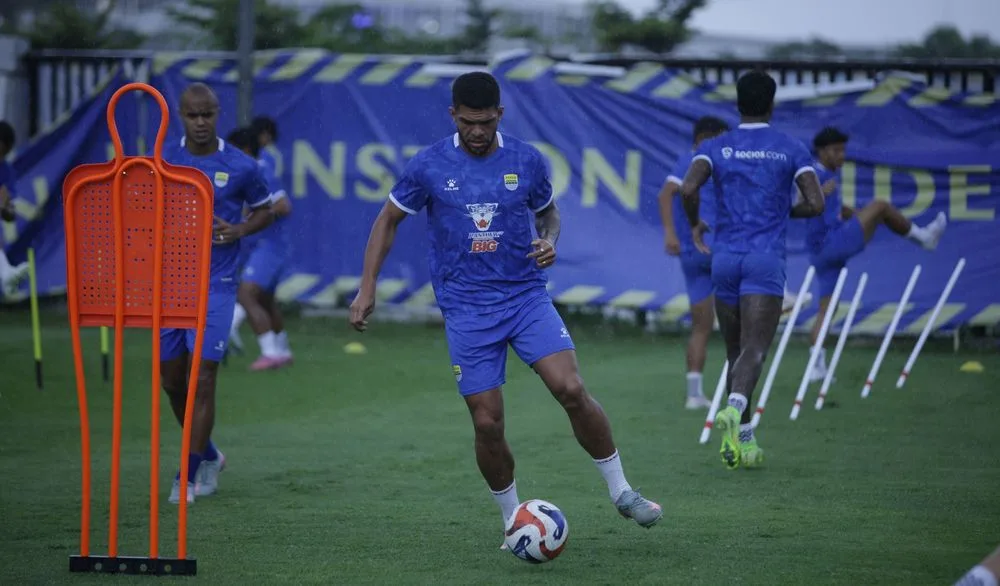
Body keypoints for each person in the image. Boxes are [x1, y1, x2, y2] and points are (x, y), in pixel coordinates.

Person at [349, 72, 663, 545]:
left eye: (486, 122)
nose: (478, 131)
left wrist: (549, 241)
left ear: (500, 114)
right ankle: (513, 520)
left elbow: (550, 213)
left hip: (524, 297)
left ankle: (622, 491)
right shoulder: (429, 165)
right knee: (487, 421)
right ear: (453, 115)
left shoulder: (526, 160)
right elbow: (388, 219)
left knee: (571, 388)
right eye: (469, 122)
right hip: (467, 308)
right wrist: (366, 286)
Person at [680, 70, 826, 470]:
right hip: (764, 259)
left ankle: (744, 439)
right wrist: (782, 210)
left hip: (725, 257)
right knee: (756, 349)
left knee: (734, 351)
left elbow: (687, 189)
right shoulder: (790, 148)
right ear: (772, 104)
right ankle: (736, 406)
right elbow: (816, 203)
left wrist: (695, 223)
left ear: (737, 104)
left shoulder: (717, 145)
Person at [161, 83, 273, 504]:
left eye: (207, 114)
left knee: (202, 379)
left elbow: (267, 208)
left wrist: (240, 228)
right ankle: (207, 452)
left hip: (217, 285)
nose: (201, 122)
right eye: (193, 115)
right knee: (172, 382)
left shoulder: (241, 165)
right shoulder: (165, 159)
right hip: (170, 287)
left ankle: (187, 477)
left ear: (217, 113)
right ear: (181, 115)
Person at [802, 126, 947, 383]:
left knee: (827, 309)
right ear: (823, 152)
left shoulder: (826, 174)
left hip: (820, 251)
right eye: (836, 150)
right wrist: (823, 197)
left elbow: (837, 210)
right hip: (831, 242)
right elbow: (798, 201)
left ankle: (816, 367)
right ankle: (924, 238)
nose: (842, 155)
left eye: (844, 150)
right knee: (880, 206)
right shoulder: (814, 173)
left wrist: (857, 215)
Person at [658, 116, 730, 409]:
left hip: (690, 254)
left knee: (702, 326)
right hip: (709, 245)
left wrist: (672, 235)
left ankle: (694, 393)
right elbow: (666, 194)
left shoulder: (704, 160)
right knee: (737, 315)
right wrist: (670, 233)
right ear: (705, 138)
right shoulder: (695, 160)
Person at [226, 126, 294, 370]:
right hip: (269, 246)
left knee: (246, 294)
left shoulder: (259, 170)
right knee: (265, 300)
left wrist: (256, 214)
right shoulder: (250, 171)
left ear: (244, 150)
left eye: (232, 150)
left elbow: (284, 205)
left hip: (270, 246)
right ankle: (282, 351)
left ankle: (270, 353)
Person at [0, 121, 29, 296]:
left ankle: (6, 273)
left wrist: (4, 208)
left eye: (5, 153)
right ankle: (5, 273)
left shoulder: (6, 171)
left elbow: (10, 214)